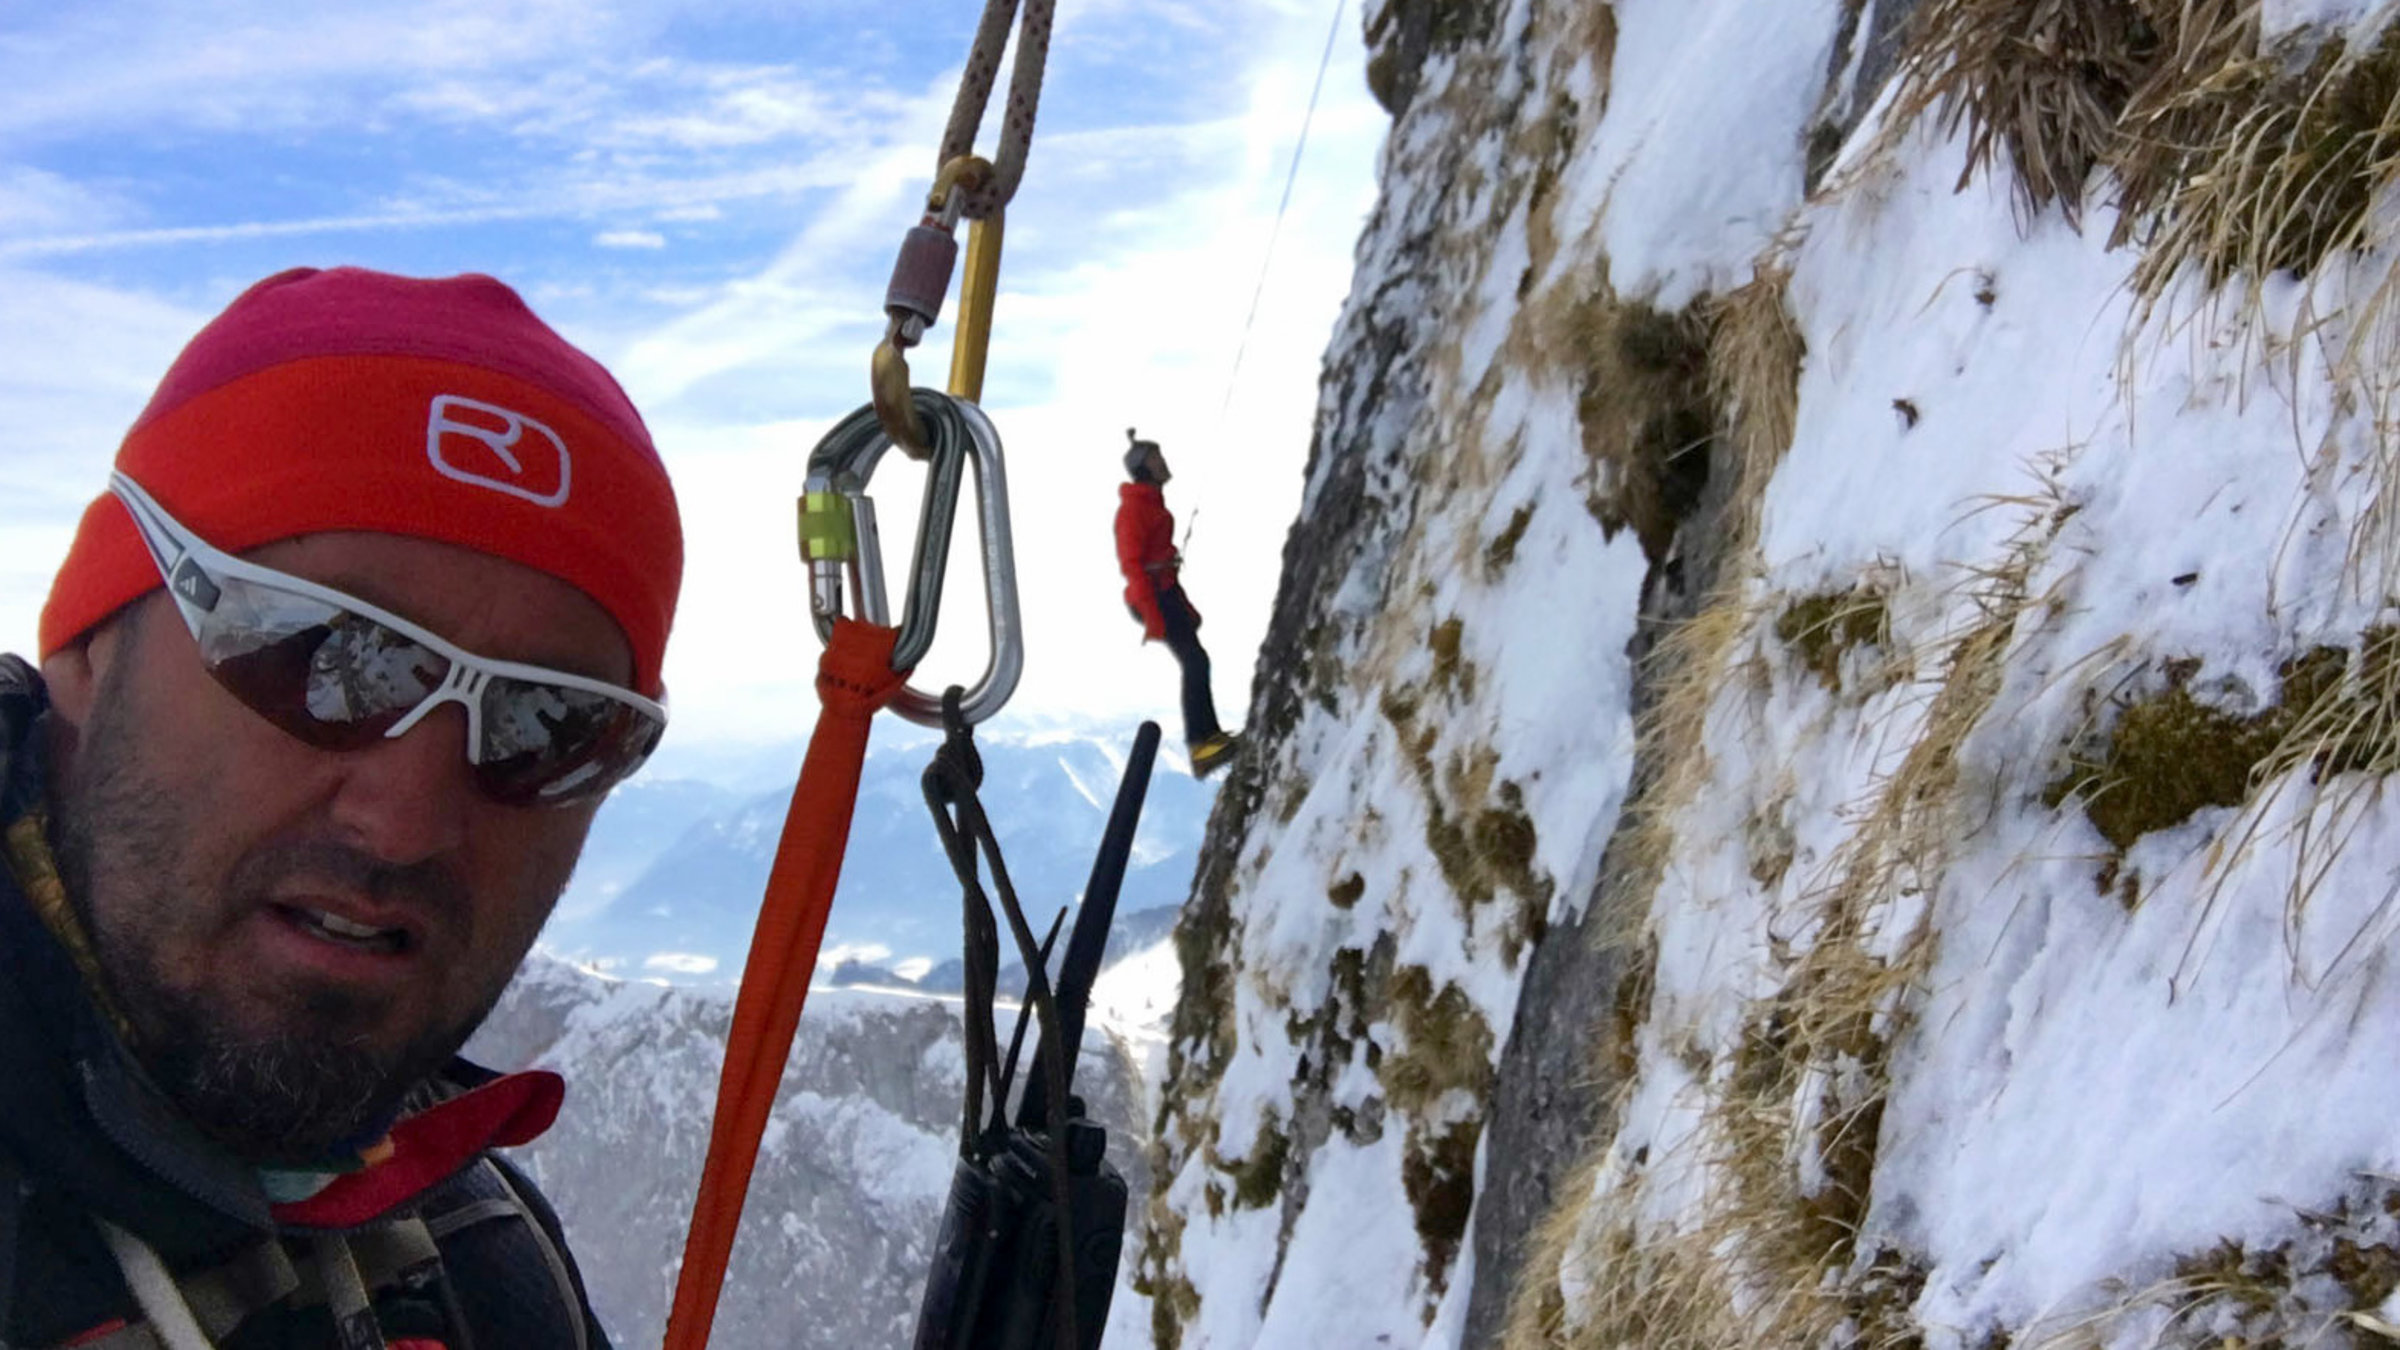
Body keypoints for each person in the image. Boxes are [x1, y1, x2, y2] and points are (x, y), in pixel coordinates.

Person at [0, 266, 683, 1347]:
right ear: (93, 642)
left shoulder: (477, 1259)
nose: (405, 821)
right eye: (323, 655)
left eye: (548, 728)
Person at [1115, 431, 1237, 778]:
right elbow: (1132, 565)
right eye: (1156, 458)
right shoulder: (1135, 507)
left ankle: (1209, 738)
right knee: (1194, 660)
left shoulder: (1150, 501)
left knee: (1196, 660)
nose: (1163, 462)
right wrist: (1153, 616)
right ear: (1143, 467)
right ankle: (1202, 746)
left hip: (1162, 593)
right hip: (1152, 596)